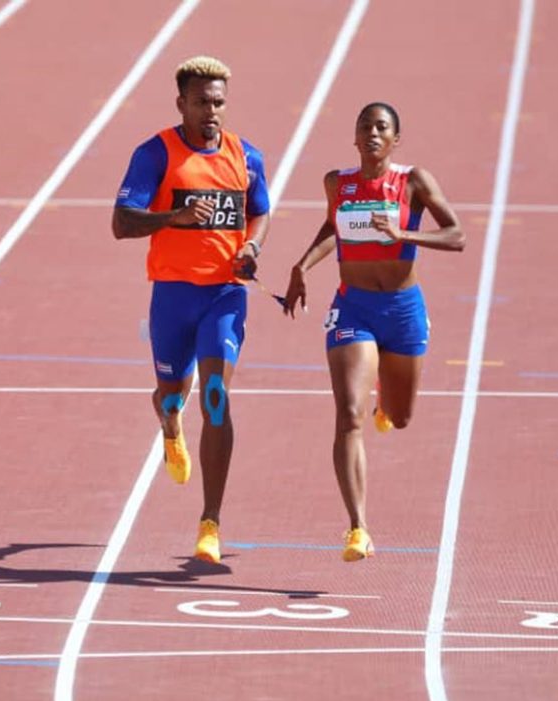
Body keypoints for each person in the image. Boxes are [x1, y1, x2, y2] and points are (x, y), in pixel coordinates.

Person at [283, 102, 465, 562]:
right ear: (355, 137)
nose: (372, 133)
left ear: (395, 139)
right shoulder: (338, 183)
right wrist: (303, 265)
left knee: (399, 418)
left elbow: (456, 234)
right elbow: (334, 227)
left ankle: (386, 393)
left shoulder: (413, 181)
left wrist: (404, 235)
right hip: (354, 308)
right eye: (364, 126)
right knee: (349, 414)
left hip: (402, 309)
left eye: (381, 127)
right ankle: (358, 528)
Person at [112, 56, 270, 564]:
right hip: (172, 296)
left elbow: (259, 212)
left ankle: (210, 523)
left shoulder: (247, 157)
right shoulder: (155, 153)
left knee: (216, 397)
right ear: (181, 104)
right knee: (171, 393)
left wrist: (252, 247)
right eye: (202, 102)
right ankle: (169, 419)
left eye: (218, 102)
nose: (212, 111)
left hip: (224, 296)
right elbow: (121, 223)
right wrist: (172, 217)